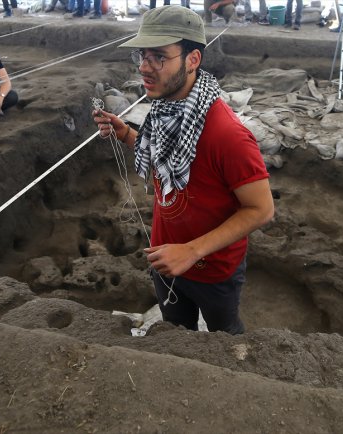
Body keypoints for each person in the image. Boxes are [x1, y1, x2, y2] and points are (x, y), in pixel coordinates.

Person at [92, 6, 274, 334]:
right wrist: (127, 135)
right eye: (142, 56)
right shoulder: (165, 110)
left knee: (224, 333)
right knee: (175, 331)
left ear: (192, 60)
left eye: (159, 57)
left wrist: (191, 251)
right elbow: (165, 161)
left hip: (213, 269)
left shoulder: (228, 135)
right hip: (165, 256)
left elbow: (261, 209)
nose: (145, 68)